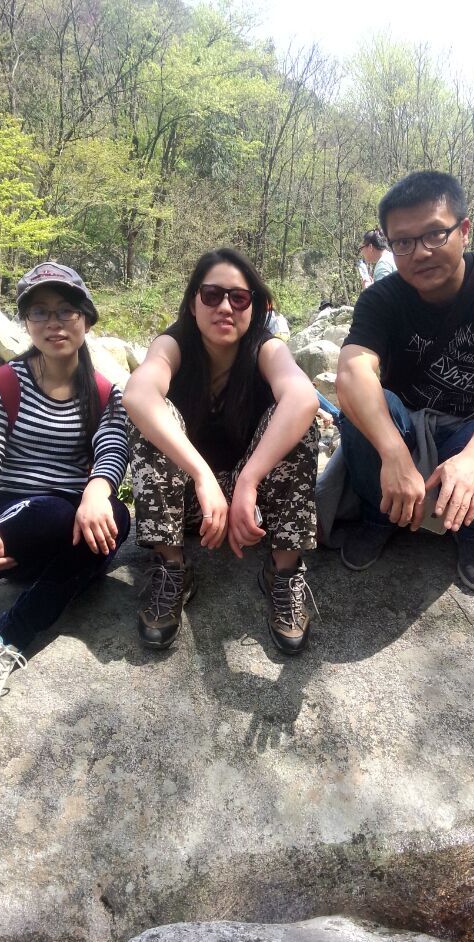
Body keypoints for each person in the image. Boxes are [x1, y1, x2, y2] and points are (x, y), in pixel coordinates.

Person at [0, 262, 131, 720]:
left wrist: (97, 493)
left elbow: (113, 448)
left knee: (117, 517)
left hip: (69, 525)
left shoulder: (103, 393)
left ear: (86, 319)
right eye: (40, 312)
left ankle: (3, 637)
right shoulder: (4, 385)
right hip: (16, 523)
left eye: (66, 310)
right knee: (52, 513)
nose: (55, 323)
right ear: (26, 322)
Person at [335, 171, 474, 592]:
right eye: (403, 242)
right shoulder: (381, 298)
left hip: (469, 428)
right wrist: (394, 454)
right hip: (405, 428)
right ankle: (379, 516)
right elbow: (351, 372)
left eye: (435, 234)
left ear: (463, 230)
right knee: (360, 409)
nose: (420, 253)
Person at [122, 248, 319, 655]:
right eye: (212, 295)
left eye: (239, 298)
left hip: (253, 508)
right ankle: (172, 567)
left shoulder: (266, 348)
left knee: (301, 424)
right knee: (151, 420)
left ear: (255, 307)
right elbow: (138, 394)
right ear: (194, 301)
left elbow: (303, 398)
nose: (225, 307)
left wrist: (248, 480)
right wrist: (202, 475)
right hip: (193, 505)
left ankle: (283, 571)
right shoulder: (173, 344)